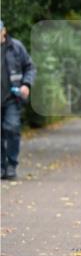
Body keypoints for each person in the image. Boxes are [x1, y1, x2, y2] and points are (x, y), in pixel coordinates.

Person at [1, 20, 36, 181]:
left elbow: (29, 67)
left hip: (12, 97)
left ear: (4, 31)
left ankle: (11, 164)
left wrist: (26, 85)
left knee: (12, 128)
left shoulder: (16, 47)